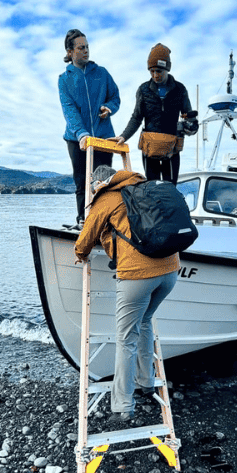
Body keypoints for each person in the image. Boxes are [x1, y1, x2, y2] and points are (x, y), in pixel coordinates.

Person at [75, 164, 179, 419]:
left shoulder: (107, 197)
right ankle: (146, 381)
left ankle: (123, 406)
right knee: (144, 322)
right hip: (171, 270)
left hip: (137, 275)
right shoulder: (143, 187)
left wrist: (80, 253)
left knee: (125, 339)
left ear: (97, 183)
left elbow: (86, 237)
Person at [59, 29, 120, 228]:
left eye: (87, 47)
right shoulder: (64, 79)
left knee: (104, 181)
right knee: (82, 182)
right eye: (81, 48)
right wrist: (82, 134)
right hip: (76, 139)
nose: (86, 51)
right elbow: (69, 110)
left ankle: (106, 222)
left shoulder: (101, 73)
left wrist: (109, 108)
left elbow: (115, 97)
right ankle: (83, 221)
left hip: (103, 137)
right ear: (70, 52)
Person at [114, 43, 194, 184]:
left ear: (167, 69)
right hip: (150, 149)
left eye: (159, 71)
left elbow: (189, 116)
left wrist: (192, 127)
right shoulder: (143, 90)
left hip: (172, 150)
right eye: (152, 71)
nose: (155, 75)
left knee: (170, 188)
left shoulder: (180, 89)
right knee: (152, 188)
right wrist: (123, 136)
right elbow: (137, 117)